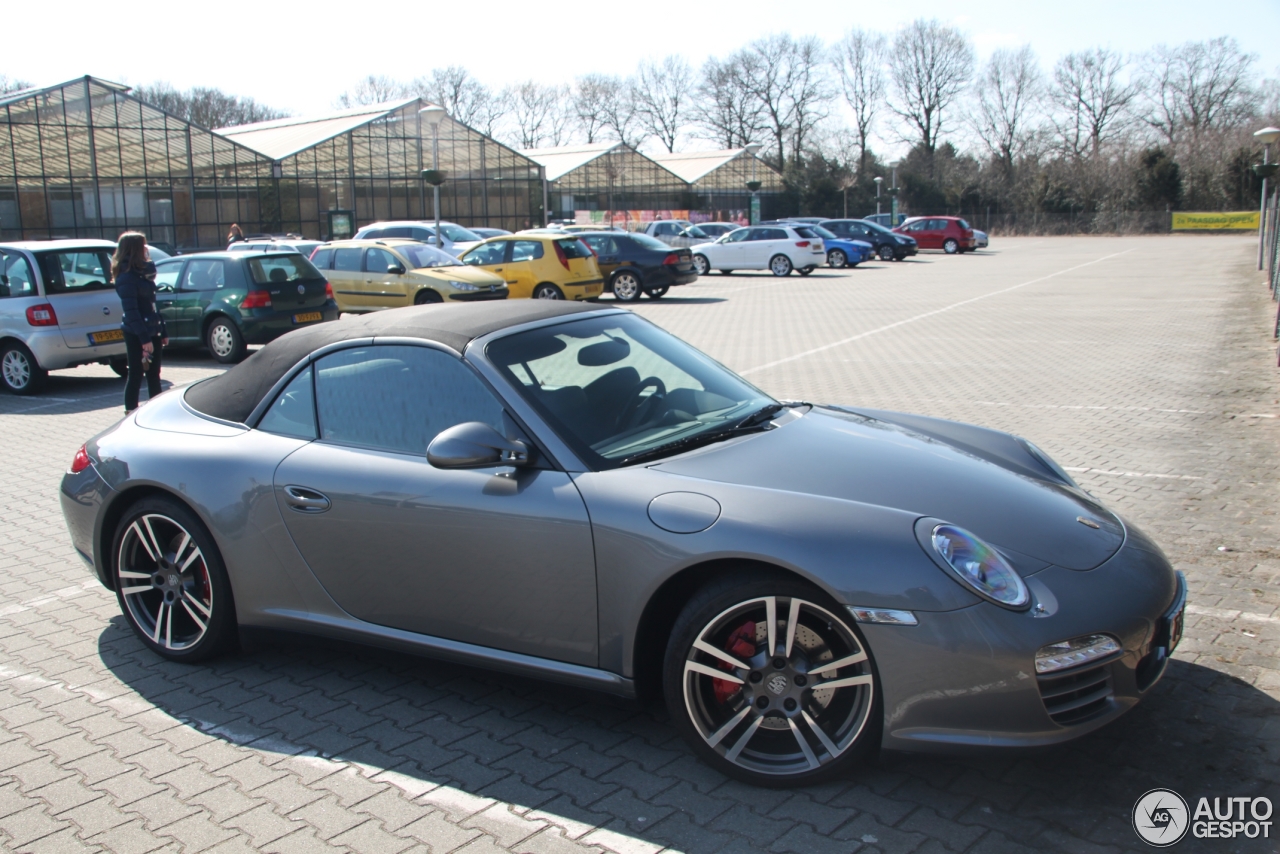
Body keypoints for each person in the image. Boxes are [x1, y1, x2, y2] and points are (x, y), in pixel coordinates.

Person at [113, 232, 167, 414]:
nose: (146, 249)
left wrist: (162, 331)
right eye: (143, 245)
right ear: (134, 249)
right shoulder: (126, 277)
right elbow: (132, 312)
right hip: (136, 332)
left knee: (154, 375)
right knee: (136, 374)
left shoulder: (145, 273)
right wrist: (144, 339)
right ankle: (130, 412)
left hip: (153, 329)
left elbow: (152, 305)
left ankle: (156, 412)